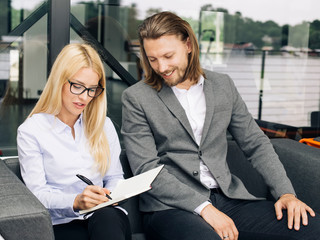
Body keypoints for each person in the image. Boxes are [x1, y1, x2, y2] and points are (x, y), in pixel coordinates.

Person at [121, 11, 320, 240]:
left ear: (188, 45)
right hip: (171, 208)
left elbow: (255, 143)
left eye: (168, 56)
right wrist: (204, 208)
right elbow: (146, 168)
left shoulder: (222, 85)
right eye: (152, 59)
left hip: (229, 199)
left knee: (313, 229)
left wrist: (285, 193)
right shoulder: (136, 98)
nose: (161, 67)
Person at [17, 43, 131, 240]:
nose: (84, 97)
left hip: (104, 216)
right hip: (62, 222)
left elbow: (114, 176)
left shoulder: (104, 125)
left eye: (92, 89)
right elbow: (37, 194)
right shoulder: (31, 131)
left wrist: (110, 194)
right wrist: (76, 201)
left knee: (107, 219)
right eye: (77, 86)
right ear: (59, 81)